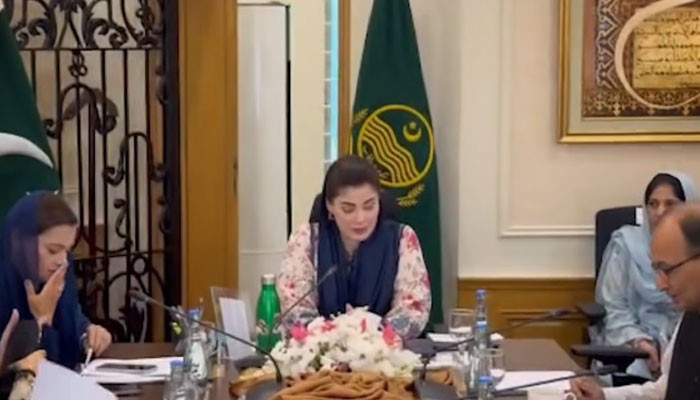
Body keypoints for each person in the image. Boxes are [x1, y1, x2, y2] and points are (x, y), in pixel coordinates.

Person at [277, 155, 431, 339]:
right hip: (320, 350)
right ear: (330, 206)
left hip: (384, 350)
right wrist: (339, 334)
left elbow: (414, 310)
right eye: (348, 209)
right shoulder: (306, 239)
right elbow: (294, 310)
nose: (360, 218)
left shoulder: (402, 239)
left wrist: (368, 333)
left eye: (369, 206)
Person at [572, 203, 700, 400]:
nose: (661, 285)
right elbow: (664, 389)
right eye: (657, 271)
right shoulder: (690, 315)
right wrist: (604, 396)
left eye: (667, 270)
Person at [592, 172, 698, 378]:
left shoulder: (694, 257)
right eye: (653, 204)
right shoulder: (625, 245)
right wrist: (640, 341)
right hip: (630, 342)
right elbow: (614, 307)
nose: (660, 212)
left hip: (684, 342)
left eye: (670, 204)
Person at [0, 192, 112, 370]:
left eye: (67, 251)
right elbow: (27, 374)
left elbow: (73, 319)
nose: (63, 261)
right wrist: (41, 321)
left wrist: (88, 334)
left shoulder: (58, 274)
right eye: (53, 250)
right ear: (20, 243)